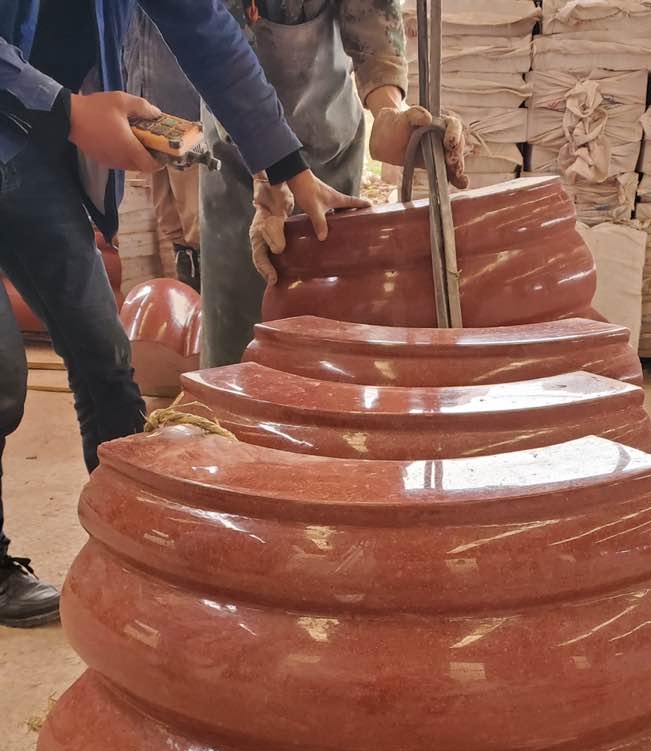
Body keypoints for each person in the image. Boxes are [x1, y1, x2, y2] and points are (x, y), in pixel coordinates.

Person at [0, 0, 367, 629]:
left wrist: (285, 165)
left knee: (103, 355)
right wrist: (70, 112)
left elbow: (204, 30)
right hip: (39, 116)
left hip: (30, 151)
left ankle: (137, 545)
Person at [201, 0, 468, 368]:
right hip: (239, 158)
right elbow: (213, 45)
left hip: (328, 139)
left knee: (329, 327)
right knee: (243, 339)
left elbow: (370, 10)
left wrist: (389, 110)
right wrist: (267, 173)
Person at [123, 9, 202, 291]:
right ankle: (192, 300)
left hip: (190, 120)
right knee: (171, 224)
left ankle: (214, 307)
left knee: (199, 225)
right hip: (147, 119)